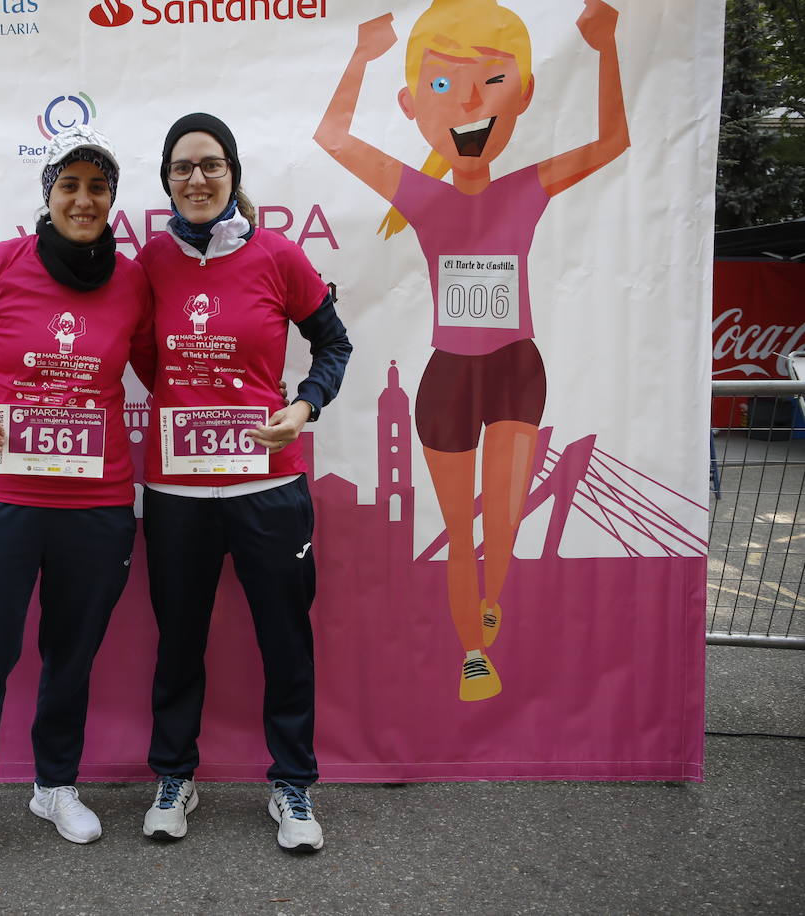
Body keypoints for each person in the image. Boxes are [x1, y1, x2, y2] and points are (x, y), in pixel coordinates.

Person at [313, 0, 628, 701]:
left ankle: (492, 596)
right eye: (442, 86)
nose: (467, 105)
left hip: (517, 368)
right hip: (449, 379)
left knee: (505, 525)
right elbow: (332, 135)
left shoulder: (527, 187)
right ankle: (475, 652)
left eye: (489, 82)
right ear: (413, 103)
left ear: (522, 95)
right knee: (462, 531)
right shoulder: (421, 198)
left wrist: (604, 49)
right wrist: (361, 56)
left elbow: (611, 141)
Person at [0, 125, 154, 882]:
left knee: (71, 655)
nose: (84, 200)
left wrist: (248, 403)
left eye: (98, 188)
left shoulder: (135, 278)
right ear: (47, 196)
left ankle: (54, 788)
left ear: (112, 200)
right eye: (70, 186)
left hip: (98, 502)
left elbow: (169, 360)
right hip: (2, 498)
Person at [137, 113, 352, 852]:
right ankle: (175, 776)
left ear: (232, 174)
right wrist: (186, 408)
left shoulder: (278, 256)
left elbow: (333, 343)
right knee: (178, 642)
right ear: (166, 179)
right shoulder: (149, 262)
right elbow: (141, 357)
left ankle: (292, 786)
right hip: (177, 493)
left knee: (285, 641)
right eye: (181, 167)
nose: (196, 179)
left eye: (211, 164)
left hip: (270, 488)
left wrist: (302, 406)